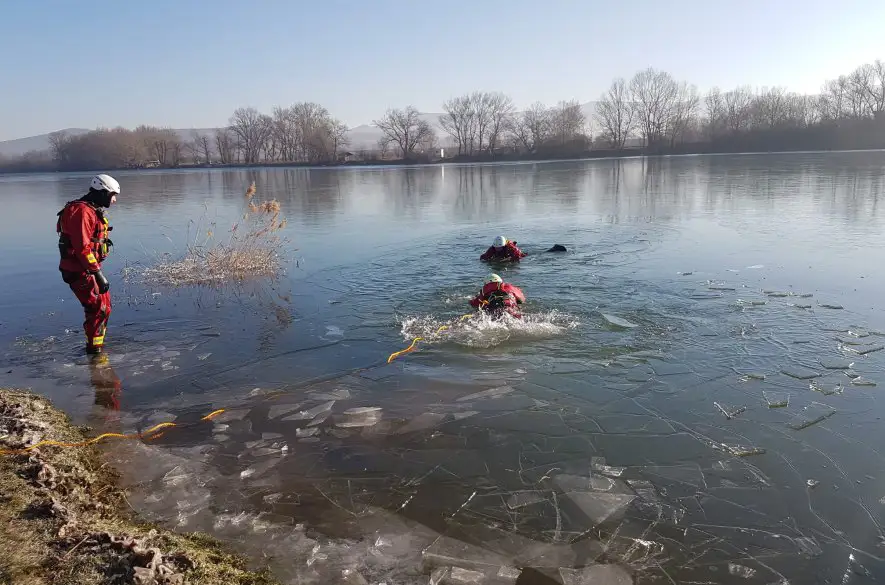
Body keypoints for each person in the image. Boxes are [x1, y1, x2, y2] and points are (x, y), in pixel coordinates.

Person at [57, 174, 119, 354]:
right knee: (98, 308)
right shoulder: (82, 212)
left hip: (86, 268)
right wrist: (98, 274)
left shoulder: (90, 209)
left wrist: (96, 271)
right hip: (79, 269)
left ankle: (96, 348)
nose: (114, 200)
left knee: (103, 306)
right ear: (102, 192)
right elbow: (82, 248)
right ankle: (94, 351)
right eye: (112, 195)